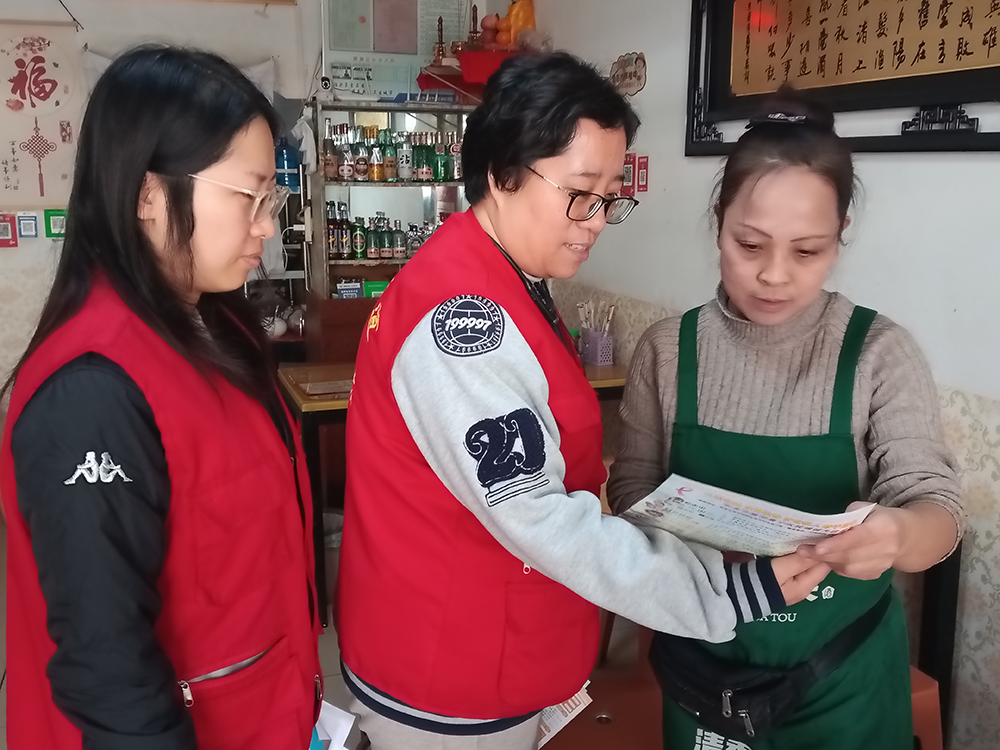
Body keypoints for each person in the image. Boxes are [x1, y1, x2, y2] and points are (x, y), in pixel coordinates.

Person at [336, 53, 830, 750]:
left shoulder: (506, 276)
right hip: (448, 677)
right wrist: (729, 593)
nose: (596, 220)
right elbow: (538, 516)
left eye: (609, 198)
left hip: (488, 648)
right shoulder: (460, 319)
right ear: (502, 173)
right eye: (579, 193)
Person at [608, 85, 964, 749]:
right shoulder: (668, 350)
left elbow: (936, 509)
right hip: (704, 673)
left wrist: (898, 534)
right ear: (719, 223)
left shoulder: (879, 353)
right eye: (750, 245)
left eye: (807, 251)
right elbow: (632, 492)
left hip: (843, 681)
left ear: (839, 236)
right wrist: (697, 543)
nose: (774, 275)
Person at [0, 46, 322, 749]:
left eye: (271, 198)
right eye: (247, 197)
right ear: (148, 193)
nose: (266, 226)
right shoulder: (92, 389)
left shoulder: (219, 326)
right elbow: (108, 669)